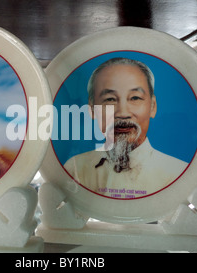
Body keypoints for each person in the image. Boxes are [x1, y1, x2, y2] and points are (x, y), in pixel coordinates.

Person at [64, 58, 188, 198]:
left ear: (152, 107)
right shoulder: (75, 169)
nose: (123, 113)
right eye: (110, 99)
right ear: (92, 109)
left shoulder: (178, 175)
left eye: (135, 98)